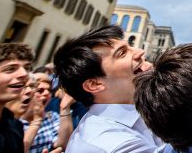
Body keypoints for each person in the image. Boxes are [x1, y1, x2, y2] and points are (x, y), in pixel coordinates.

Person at [53, 25, 163, 153]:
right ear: (94, 84)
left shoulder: (147, 108)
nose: (140, 51)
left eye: (129, 46)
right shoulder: (108, 143)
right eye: (122, 53)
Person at [19, 73, 73, 153]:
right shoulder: (14, 119)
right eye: (40, 90)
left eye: (49, 90)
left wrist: (65, 108)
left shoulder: (51, 116)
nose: (47, 93)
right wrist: (37, 120)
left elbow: (62, 144)